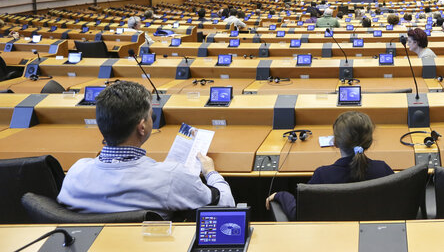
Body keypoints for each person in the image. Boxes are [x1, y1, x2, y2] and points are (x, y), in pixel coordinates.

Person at [57, 81, 234, 218]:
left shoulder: (75, 173)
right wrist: (210, 172)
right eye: (151, 115)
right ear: (142, 127)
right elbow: (226, 204)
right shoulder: (170, 176)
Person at [266, 111, 393, 220]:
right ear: (369, 142)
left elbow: (300, 214)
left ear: (335, 143)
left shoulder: (323, 176)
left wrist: (281, 195)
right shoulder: (383, 170)